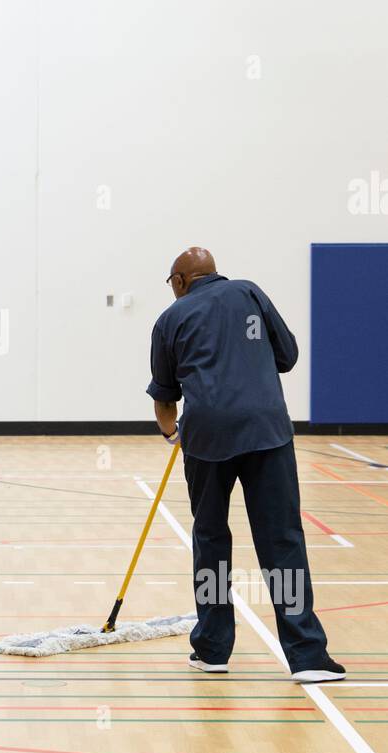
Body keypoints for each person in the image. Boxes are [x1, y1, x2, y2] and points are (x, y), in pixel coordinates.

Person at [146, 247, 345, 683]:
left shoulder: (169, 319)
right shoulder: (251, 293)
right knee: (282, 542)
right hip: (266, 431)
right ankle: (308, 656)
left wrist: (171, 434)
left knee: (211, 540)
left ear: (179, 281)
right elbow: (287, 355)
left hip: (207, 435)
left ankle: (213, 649)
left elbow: (165, 398)